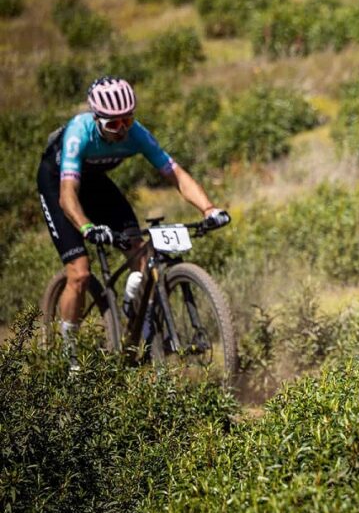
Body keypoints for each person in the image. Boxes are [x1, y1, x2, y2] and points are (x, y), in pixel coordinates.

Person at [37, 76, 230, 367]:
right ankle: (68, 355)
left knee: (141, 256)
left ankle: (133, 323)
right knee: (80, 273)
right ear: (97, 118)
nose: (122, 130)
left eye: (127, 120)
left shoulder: (136, 134)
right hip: (58, 183)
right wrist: (88, 228)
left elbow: (174, 173)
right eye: (113, 124)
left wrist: (209, 209)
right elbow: (67, 197)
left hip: (95, 182)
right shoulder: (79, 132)